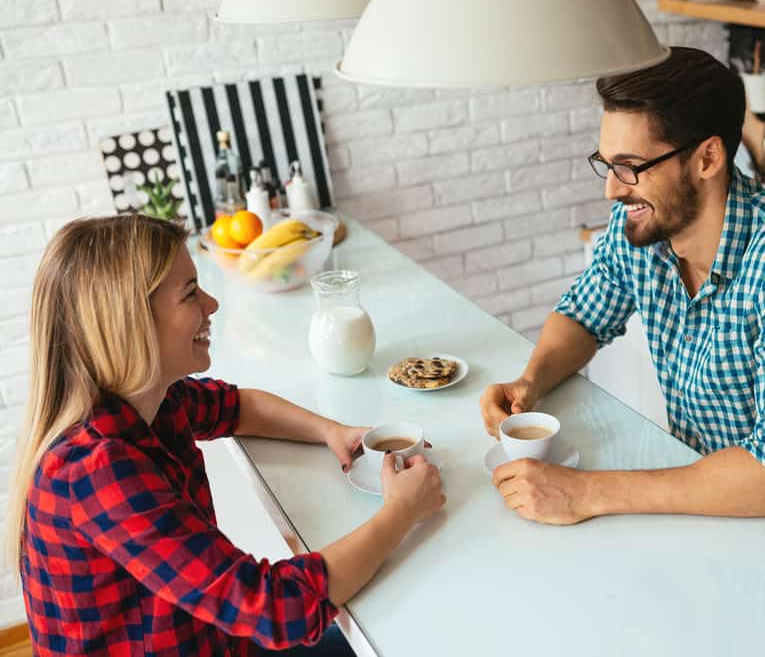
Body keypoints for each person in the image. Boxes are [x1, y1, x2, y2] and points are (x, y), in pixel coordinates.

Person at [479, 47, 765, 562]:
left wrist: (585, 492)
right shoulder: (644, 231)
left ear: (707, 158)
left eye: (630, 167)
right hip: (701, 525)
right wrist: (530, 382)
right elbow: (583, 313)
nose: (611, 190)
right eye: (607, 164)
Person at [6, 214, 445, 656]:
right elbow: (275, 608)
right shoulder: (95, 471)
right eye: (190, 293)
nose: (212, 304)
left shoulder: (152, 402)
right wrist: (401, 511)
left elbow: (238, 407)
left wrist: (332, 431)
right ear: (131, 323)